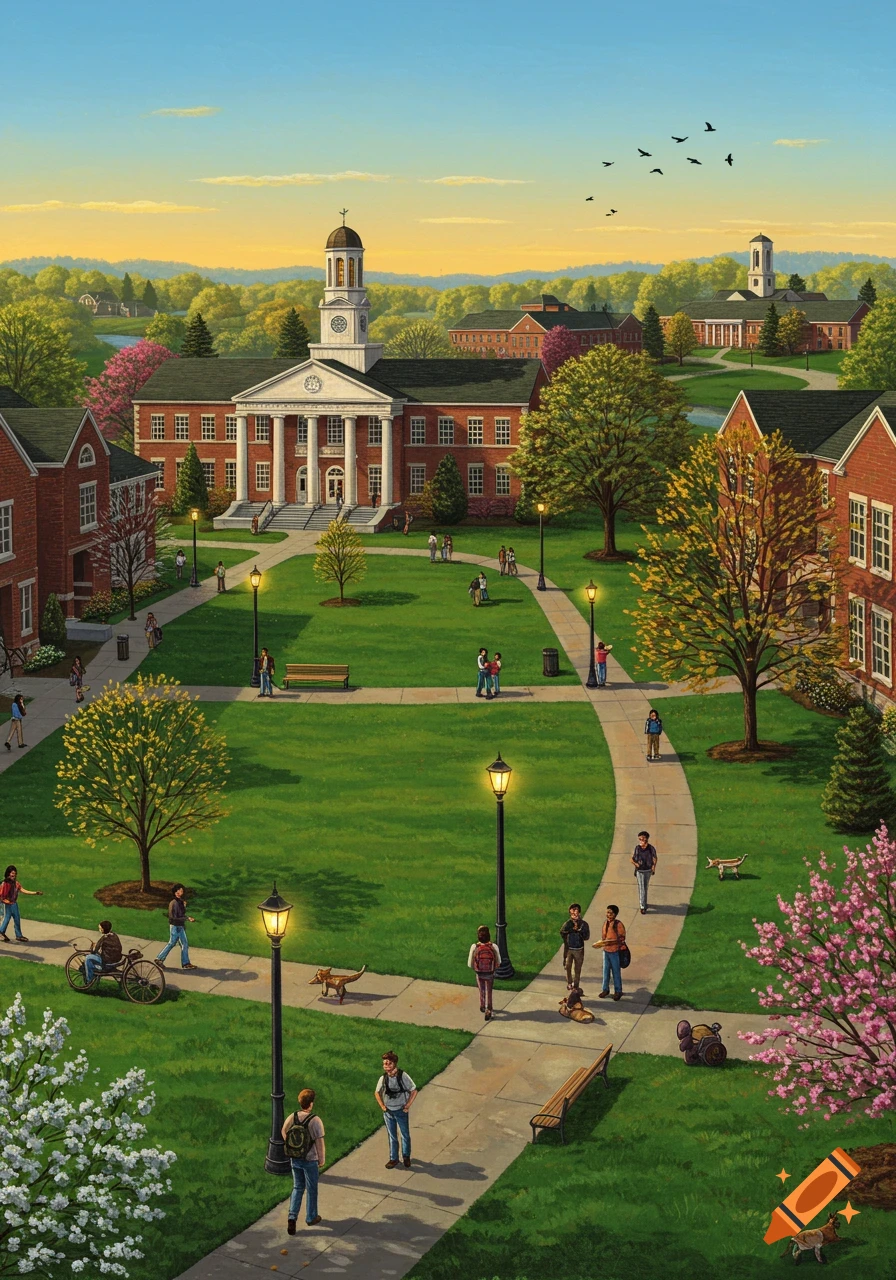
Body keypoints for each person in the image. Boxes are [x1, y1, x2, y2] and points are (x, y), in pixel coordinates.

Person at [282, 1087, 325, 1233]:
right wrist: (321, 1159)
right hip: (310, 1159)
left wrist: (292, 1145)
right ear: (311, 1103)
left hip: (295, 1159)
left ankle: (292, 1217)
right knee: (312, 1189)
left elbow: (283, 1130)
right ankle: (311, 1216)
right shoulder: (315, 1120)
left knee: (297, 1187)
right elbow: (319, 1142)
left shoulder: (292, 1117)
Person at [375, 1051, 417, 1169]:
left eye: (389, 1063)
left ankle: (406, 1156)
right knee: (392, 1136)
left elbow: (414, 1090)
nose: (386, 1066)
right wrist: (382, 1106)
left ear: (394, 1064)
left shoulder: (402, 1076)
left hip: (400, 1110)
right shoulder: (383, 1078)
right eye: (384, 1064)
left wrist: (407, 1105)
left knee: (405, 1134)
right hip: (388, 1111)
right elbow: (377, 1092)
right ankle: (394, 1158)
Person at [155, 883, 198, 970]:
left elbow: (181, 913)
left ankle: (185, 963)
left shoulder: (181, 902)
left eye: (181, 891)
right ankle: (159, 958)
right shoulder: (173, 903)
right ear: (175, 892)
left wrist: (184, 907)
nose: (179, 892)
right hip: (175, 927)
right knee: (172, 943)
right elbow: (174, 917)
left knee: (184, 944)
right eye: (178, 891)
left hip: (180, 926)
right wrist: (187, 918)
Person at [0, 864, 43, 943]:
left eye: (15, 873)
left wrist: (35, 893)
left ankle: (19, 935)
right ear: (8, 873)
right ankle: (1, 932)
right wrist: (6, 901)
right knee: (7, 918)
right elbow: (1, 896)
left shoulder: (16, 883)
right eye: (12, 873)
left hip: (14, 904)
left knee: (17, 919)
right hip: (7, 904)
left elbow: (23, 890)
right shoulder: (4, 884)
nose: (14, 875)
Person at [592, 904, 625, 1001]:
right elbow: (604, 937)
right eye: (607, 912)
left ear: (615, 914)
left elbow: (622, 938)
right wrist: (602, 943)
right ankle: (605, 989)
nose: (608, 914)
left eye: (610, 913)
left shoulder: (618, 924)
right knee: (605, 971)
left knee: (616, 971)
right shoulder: (605, 924)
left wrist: (611, 942)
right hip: (606, 951)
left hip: (615, 951)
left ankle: (618, 991)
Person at [468, 924, 501, 1020]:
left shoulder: (474, 946)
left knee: (481, 989)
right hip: (490, 973)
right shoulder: (493, 946)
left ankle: (482, 1005)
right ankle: (489, 1009)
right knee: (489, 991)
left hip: (479, 972)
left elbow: (470, 964)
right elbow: (499, 962)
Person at [82, 919, 123, 985]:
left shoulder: (104, 938)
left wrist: (93, 946)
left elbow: (94, 951)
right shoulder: (114, 935)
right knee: (95, 957)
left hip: (107, 962)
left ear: (103, 930)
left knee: (88, 958)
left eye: (100, 929)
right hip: (115, 960)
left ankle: (89, 981)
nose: (99, 930)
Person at [560, 902, 591, 989]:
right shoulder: (568, 924)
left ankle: (576, 985)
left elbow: (587, 936)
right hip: (569, 949)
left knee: (577, 968)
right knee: (568, 966)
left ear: (579, 912)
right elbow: (562, 932)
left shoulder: (583, 924)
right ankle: (569, 983)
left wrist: (579, 931)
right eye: (572, 911)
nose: (574, 912)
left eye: (575, 910)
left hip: (579, 949)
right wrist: (571, 931)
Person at [632, 830, 658, 915]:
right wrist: (636, 864)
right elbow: (632, 859)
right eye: (640, 838)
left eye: (642, 838)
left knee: (645, 886)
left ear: (646, 839)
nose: (641, 840)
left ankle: (644, 902)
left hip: (648, 870)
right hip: (640, 870)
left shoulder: (651, 848)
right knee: (641, 887)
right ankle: (642, 906)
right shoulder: (637, 848)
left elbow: (654, 858)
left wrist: (653, 867)